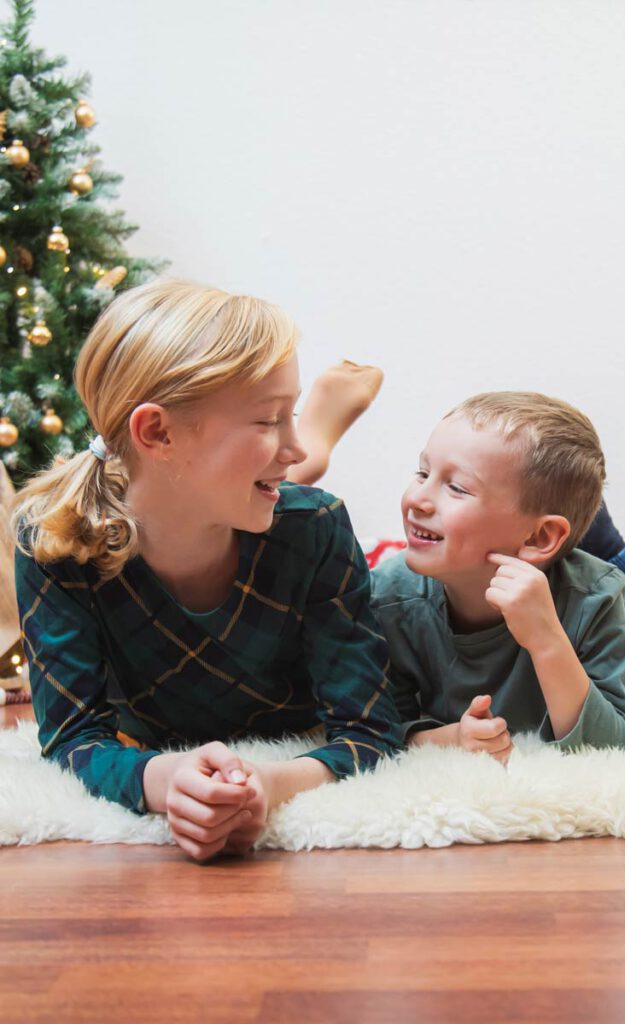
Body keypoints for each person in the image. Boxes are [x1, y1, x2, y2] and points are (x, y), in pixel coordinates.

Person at [13, 278, 402, 861]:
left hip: (281, 535)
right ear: (158, 432)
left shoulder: (317, 527)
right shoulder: (55, 545)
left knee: (299, 484)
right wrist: (166, 778)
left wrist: (272, 783)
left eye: (290, 417)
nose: (288, 447)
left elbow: (370, 732)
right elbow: (72, 739)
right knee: (294, 473)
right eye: (269, 421)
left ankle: (306, 429)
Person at [369, 392, 625, 763]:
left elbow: (613, 746)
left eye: (457, 487)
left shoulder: (595, 593)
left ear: (538, 538)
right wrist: (451, 736)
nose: (418, 498)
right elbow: (378, 729)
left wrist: (546, 637)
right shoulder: (387, 596)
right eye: (422, 472)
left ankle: (597, 534)